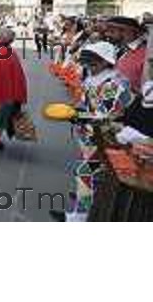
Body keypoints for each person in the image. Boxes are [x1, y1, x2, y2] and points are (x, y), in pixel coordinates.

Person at [50, 41, 132, 222]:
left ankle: (80, 217)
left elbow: (106, 116)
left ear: (105, 61)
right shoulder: (96, 77)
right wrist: (75, 110)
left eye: (94, 60)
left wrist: (76, 115)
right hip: (89, 135)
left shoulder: (112, 84)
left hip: (104, 138)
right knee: (88, 175)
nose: (88, 63)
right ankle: (85, 201)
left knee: (85, 172)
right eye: (87, 59)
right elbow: (87, 102)